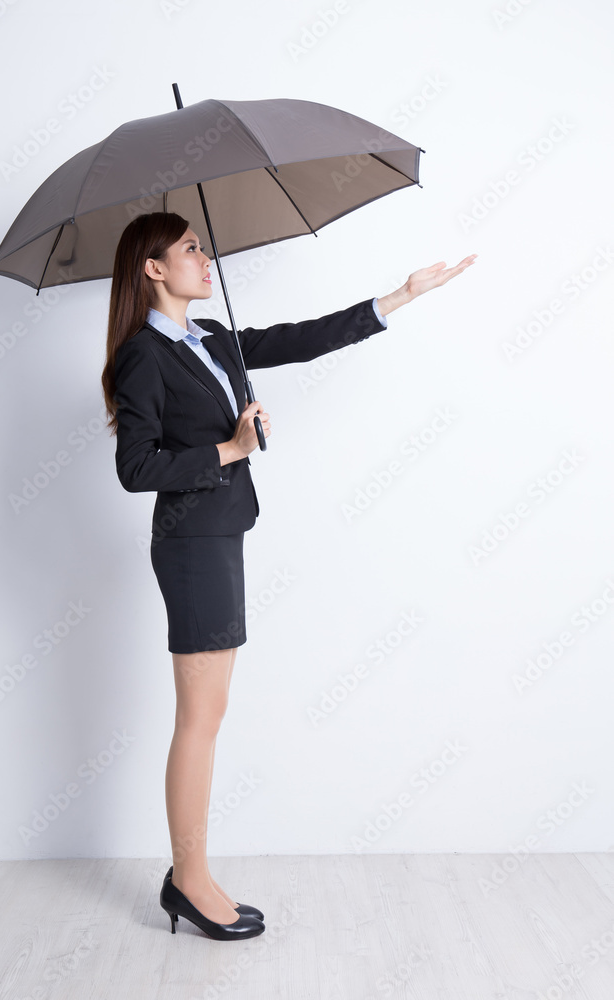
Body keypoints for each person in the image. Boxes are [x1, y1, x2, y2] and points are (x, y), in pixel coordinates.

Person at [101, 212, 476, 940]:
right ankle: (189, 881)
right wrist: (229, 448)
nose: (205, 259)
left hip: (220, 535)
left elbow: (299, 340)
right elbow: (134, 468)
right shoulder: (144, 354)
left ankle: (190, 876)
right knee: (200, 721)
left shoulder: (209, 340)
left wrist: (398, 296)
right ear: (153, 269)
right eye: (190, 249)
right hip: (190, 543)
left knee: (208, 717)